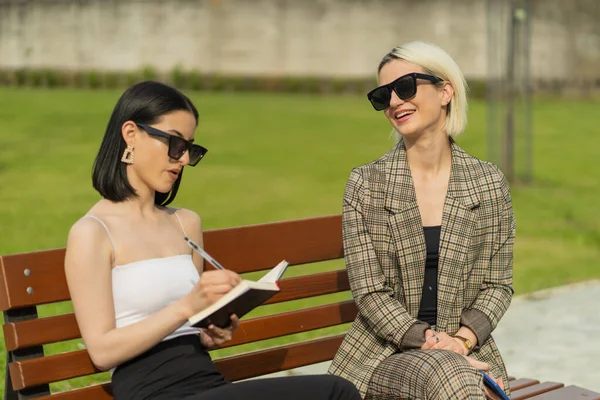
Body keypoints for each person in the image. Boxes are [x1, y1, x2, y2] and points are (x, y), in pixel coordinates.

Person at [64, 81, 362, 400]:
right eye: (175, 144)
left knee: (337, 391)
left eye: (190, 149)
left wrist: (212, 330)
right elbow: (102, 351)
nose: (183, 160)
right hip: (151, 392)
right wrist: (184, 308)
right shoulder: (93, 233)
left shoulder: (185, 223)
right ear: (131, 134)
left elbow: (192, 326)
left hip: (207, 383)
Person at [328, 41, 515, 399]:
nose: (395, 102)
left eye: (406, 87)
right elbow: (370, 293)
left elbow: (498, 285)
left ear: (445, 90)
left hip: (466, 350)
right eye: (383, 96)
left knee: (459, 379)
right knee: (455, 377)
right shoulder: (367, 184)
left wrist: (462, 340)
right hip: (386, 355)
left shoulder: (488, 182)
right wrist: (434, 343)